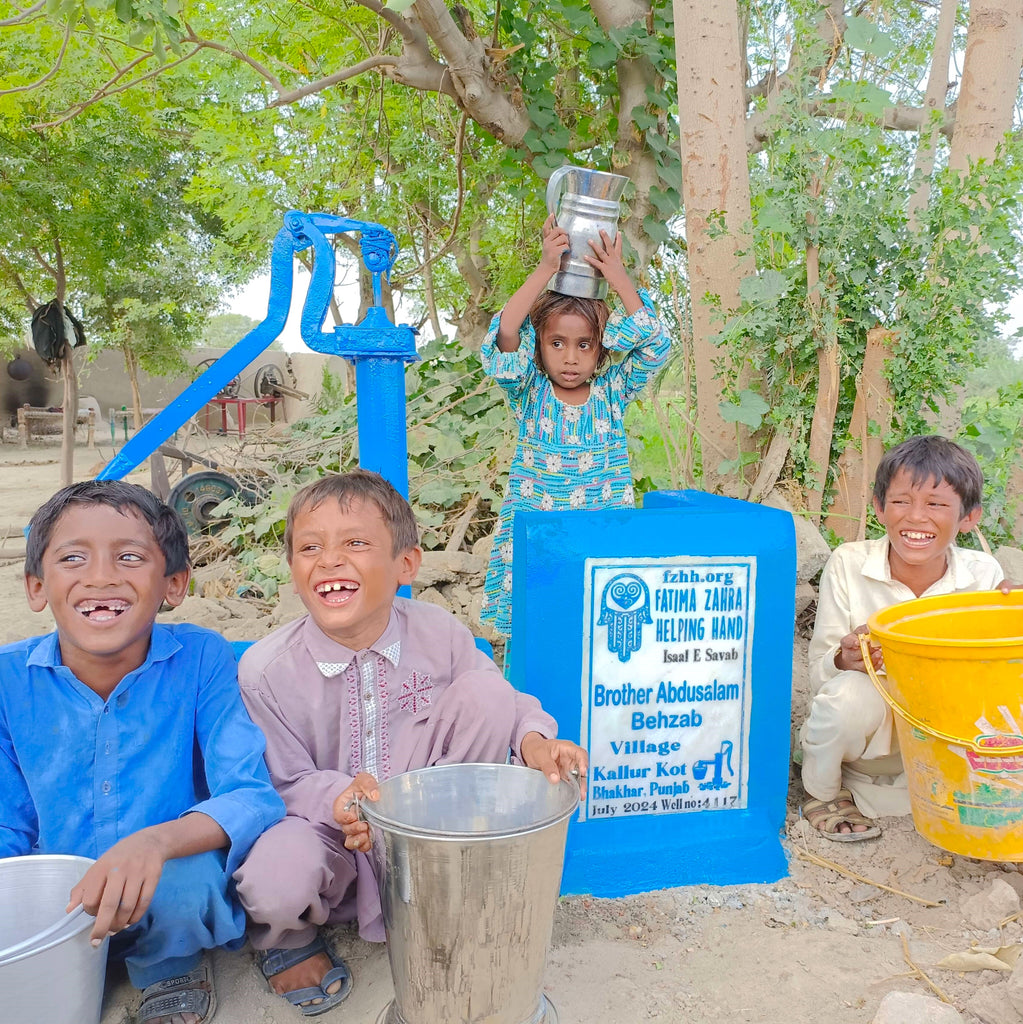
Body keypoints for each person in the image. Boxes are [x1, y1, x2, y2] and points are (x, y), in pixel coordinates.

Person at [233, 469, 588, 1017]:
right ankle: (290, 942)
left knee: (485, 694)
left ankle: (441, 888)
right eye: (310, 547)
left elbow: (507, 702)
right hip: (336, 836)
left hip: (427, 832)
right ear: (293, 569)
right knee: (274, 877)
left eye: (354, 543)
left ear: (406, 565)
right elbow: (282, 779)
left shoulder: (439, 632)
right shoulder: (265, 671)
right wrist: (337, 798)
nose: (329, 560)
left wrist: (538, 743)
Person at [0, 480, 284, 1024]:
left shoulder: (203, 658)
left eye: (129, 557)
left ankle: (168, 966)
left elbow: (249, 795)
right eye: (73, 558)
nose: (101, 576)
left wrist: (154, 842)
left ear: (172, 585)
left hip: (166, 884)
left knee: (191, 885)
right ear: (37, 587)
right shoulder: (9, 681)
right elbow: (8, 821)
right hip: (60, 896)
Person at [799, 435, 1010, 841]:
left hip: (943, 746)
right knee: (848, 695)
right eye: (900, 501)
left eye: (936, 504)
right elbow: (819, 676)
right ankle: (824, 794)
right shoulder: (849, 563)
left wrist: (1008, 618)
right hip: (867, 752)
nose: (916, 517)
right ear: (879, 508)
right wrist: (845, 660)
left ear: (969, 517)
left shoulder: (983, 576)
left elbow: (992, 679)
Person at [480, 213, 672, 640]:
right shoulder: (528, 392)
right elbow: (507, 330)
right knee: (535, 636)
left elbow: (657, 345)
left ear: (600, 347)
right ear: (540, 346)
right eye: (557, 343)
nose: (570, 358)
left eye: (584, 344)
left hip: (599, 544)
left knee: (593, 635)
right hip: (538, 546)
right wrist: (546, 267)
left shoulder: (613, 391)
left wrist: (619, 278)